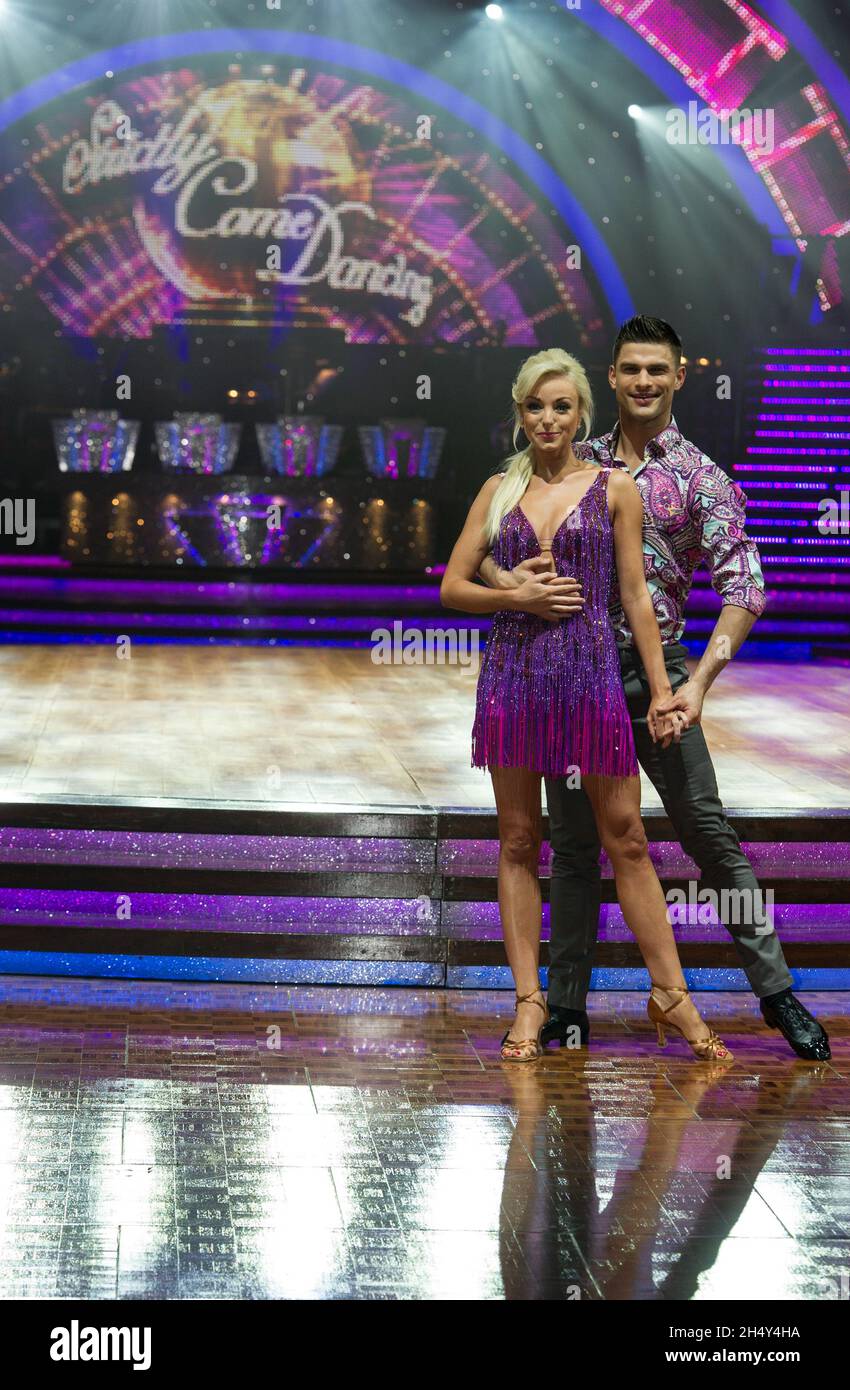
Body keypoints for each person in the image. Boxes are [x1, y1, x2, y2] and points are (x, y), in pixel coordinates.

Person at [478, 316, 829, 1062]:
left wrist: (696, 683)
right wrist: (510, 588)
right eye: (629, 369)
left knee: (707, 833)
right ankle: (566, 1004)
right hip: (569, 670)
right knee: (575, 845)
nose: (642, 381)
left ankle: (776, 992)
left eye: (656, 371)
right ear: (608, 378)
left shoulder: (702, 478)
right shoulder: (572, 453)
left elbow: (746, 589)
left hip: (655, 671)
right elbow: (488, 550)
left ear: (677, 378)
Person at [440, 347, 732, 1064]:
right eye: (535, 406)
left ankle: (672, 996)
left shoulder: (614, 487)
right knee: (517, 840)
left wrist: (663, 689)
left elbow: (635, 595)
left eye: (561, 407)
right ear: (520, 413)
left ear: (580, 415)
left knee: (626, 834)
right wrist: (517, 596)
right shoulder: (497, 490)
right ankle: (529, 1003)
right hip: (514, 674)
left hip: (592, 675)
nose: (548, 418)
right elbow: (451, 586)